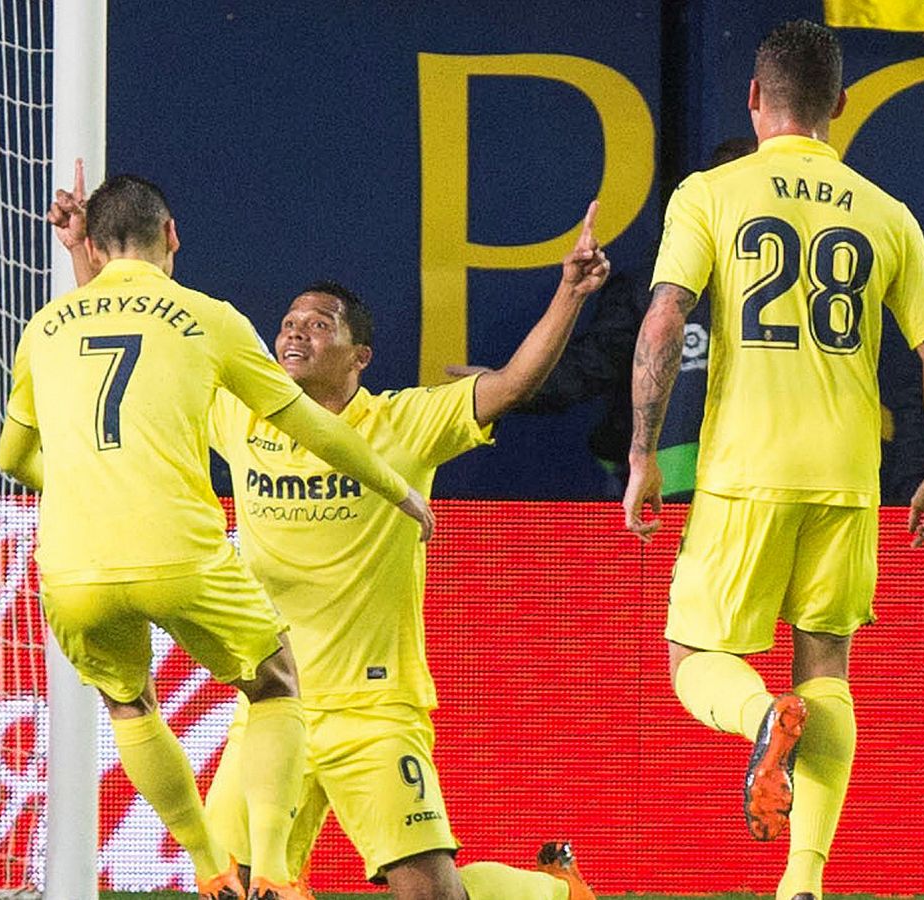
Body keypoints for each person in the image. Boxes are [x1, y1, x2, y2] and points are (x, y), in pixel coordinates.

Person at [47, 179, 607, 900]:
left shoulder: (402, 425)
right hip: (271, 705)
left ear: (360, 355)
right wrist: (88, 259)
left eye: (319, 323)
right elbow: (129, 344)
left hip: (371, 710)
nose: (295, 332)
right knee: (233, 887)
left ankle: (555, 891)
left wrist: (570, 292)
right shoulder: (243, 419)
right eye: (288, 322)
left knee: (429, 894)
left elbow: (513, 384)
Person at [2, 172, 435, 900]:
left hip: (74, 566)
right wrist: (399, 490)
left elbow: (12, 459)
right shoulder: (208, 318)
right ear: (171, 236)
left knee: (128, 704)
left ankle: (209, 868)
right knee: (273, 683)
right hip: (180, 552)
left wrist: (82, 483)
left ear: (99, 247)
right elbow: (310, 425)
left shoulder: (46, 326)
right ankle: (269, 867)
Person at [623, 20, 924, 900]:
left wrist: (642, 454)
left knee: (689, 653)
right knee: (828, 664)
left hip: (744, 466)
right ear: (840, 107)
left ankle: (755, 721)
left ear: (753, 97)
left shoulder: (711, 192)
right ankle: (803, 882)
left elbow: (664, 322)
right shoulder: (886, 212)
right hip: (848, 476)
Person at [498, 136, 759, 500]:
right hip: (666, 507)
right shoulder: (650, 286)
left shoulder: (800, 286)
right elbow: (589, 369)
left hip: (770, 498)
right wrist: (502, 387)